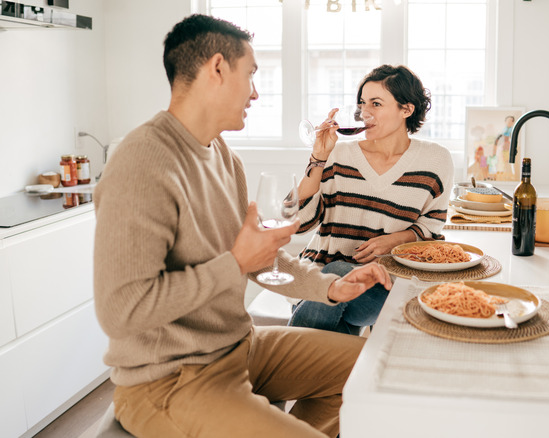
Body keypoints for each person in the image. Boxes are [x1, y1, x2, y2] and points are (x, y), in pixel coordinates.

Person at [92, 14, 392, 438]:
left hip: (241, 347)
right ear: (217, 68)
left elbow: (256, 258)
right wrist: (234, 263)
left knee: (375, 369)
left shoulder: (222, 155)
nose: (256, 92)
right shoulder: (142, 162)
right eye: (251, 75)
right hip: (170, 380)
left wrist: (328, 287)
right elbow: (121, 313)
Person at [289, 64, 454, 335]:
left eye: (376, 104)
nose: (365, 112)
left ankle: (287, 357)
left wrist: (397, 239)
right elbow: (297, 221)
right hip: (320, 276)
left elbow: (432, 226)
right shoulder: (338, 154)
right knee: (338, 283)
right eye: (362, 103)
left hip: (382, 284)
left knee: (339, 277)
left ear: (406, 109)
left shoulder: (436, 160)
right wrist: (318, 158)